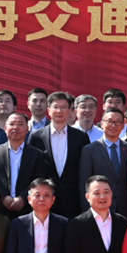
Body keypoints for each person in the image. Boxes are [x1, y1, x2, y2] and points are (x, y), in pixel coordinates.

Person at [0, 111, 51, 218]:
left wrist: (23, 198)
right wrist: (3, 197)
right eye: (12, 124)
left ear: (27, 129)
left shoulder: (37, 154)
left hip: (27, 210)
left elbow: (39, 179)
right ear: (5, 128)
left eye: (20, 124)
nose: (15, 127)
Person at [35, 91, 91, 219]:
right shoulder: (36, 137)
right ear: (49, 110)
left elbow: (84, 168)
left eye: (64, 107)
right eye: (55, 107)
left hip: (72, 199)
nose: (59, 111)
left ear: (70, 111)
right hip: (45, 199)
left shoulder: (80, 137)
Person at [80, 108, 127, 221]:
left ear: (123, 125)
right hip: (99, 209)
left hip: (126, 210)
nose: (113, 125)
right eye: (109, 121)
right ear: (102, 123)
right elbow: (84, 183)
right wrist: (87, 213)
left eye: (118, 122)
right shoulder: (89, 150)